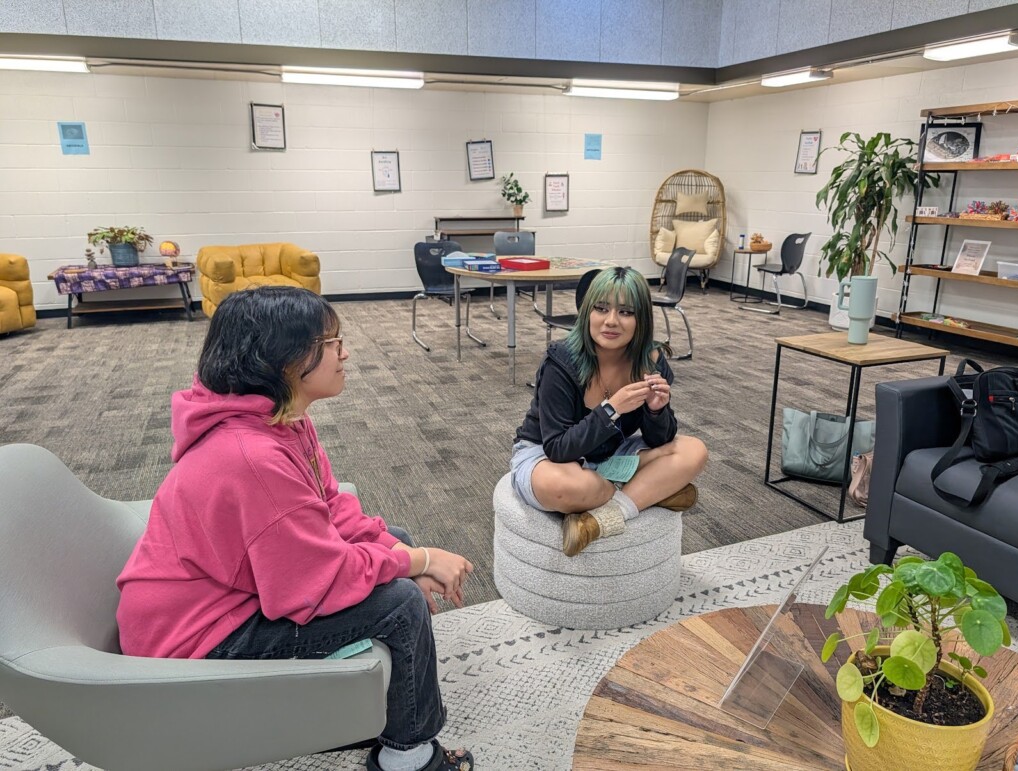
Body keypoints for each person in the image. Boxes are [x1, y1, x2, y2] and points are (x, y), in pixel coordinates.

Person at [116, 286, 475, 771]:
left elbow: (331, 507)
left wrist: (405, 554)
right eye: (332, 342)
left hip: (225, 595)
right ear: (285, 359)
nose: (345, 351)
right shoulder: (254, 456)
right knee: (401, 604)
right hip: (194, 639)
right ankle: (410, 755)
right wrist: (422, 564)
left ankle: (374, 709)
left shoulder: (280, 419)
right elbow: (313, 585)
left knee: (398, 538)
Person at [511, 266, 708, 556]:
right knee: (564, 485)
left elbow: (660, 439)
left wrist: (656, 412)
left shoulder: (651, 359)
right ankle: (645, 493)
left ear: (641, 318)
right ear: (588, 312)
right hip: (546, 453)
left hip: (608, 453)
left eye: (626, 312)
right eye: (601, 309)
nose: (611, 321)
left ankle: (603, 517)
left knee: (695, 450)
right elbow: (557, 448)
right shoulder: (562, 361)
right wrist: (612, 408)